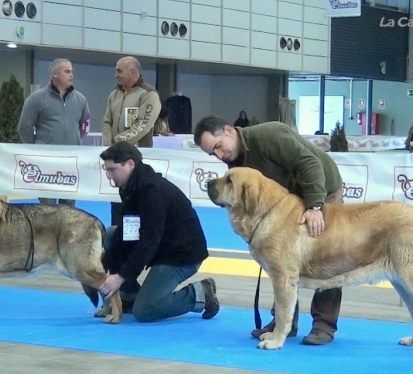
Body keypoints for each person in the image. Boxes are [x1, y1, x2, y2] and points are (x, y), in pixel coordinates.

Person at [193, 115, 344, 346]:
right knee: (278, 259)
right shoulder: (235, 160)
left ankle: (324, 324)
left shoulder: (271, 135)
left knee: (326, 255)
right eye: (213, 154)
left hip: (320, 187)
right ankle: (285, 322)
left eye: (218, 147)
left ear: (228, 131)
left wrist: (315, 206)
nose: (219, 156)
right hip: (289, 198)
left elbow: (310, 165)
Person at [98, 141, 219, 321]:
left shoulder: (152, 191)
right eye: (106, 170)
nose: (109, 176)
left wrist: (120, 277)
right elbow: (127, 233)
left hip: (181, 255)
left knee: (145, 310)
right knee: (111, 235)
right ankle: (129, 296)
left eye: (112, 170)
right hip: (161, 245)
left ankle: (200, 292)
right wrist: (102, 267)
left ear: (130, 164)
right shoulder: (129, 187)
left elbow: (149, 241)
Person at [17, 58, 90, 207]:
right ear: (54, 75)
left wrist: (74, 141)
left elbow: (85, 126)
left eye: (72, 71)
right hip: (46, 161)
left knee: (69, 205)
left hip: (71, 160)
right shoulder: (36, 99)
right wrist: (37, 146)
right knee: (47, 206)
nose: (71, 75)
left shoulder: (81, 100)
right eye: (67, 71)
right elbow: (24, 127)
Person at [101, 56, 161, 225]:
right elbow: (106, 121)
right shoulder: (114, 95)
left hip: (138, 159)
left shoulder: (149, 94)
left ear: (132, 72)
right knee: (117, 205)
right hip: (117, 160)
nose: (115, 75)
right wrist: (109, 143)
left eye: (119, 71)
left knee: (137, 205)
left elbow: (144, 124)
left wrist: (119, 142)